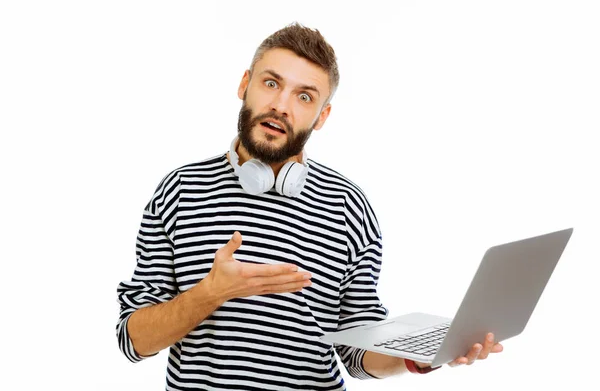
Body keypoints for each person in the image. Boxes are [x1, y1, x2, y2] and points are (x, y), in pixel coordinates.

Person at [116, 22, 503, 390]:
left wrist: (420, 356)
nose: (281, 106)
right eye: (271, 83)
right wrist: (210, 294)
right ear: (244, 84)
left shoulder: (349, 207)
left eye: (304, 96)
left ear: (322, 116)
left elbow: (356, 351)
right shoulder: (179, 191)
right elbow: (134, 340)